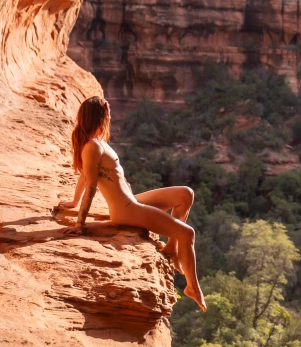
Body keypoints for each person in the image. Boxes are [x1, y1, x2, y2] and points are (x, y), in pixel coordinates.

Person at [56, 96, 206, 311]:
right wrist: (80, 223)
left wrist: (73, 201)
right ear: (100, 116)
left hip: (131, 202)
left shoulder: (96, 143)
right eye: (108, 112)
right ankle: (193, 287)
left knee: (185, 194)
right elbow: (90, 183)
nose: (111, 115)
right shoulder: (92, 147)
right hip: (126, 211)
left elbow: (84, 175)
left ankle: (172, 248)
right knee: (188, 233)